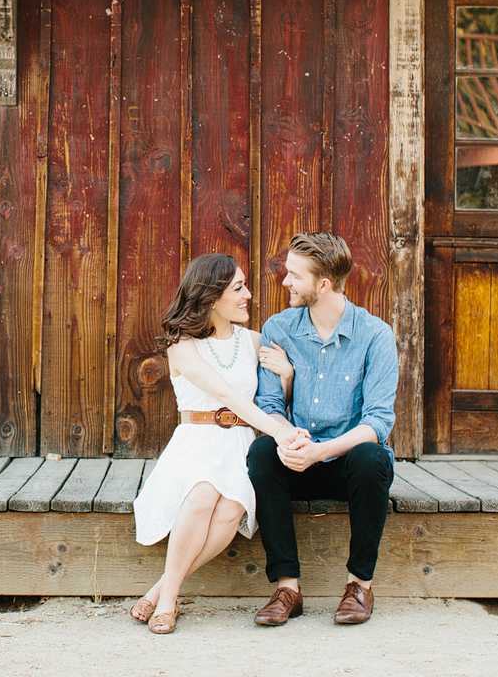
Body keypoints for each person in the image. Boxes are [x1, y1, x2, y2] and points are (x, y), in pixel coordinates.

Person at [128, 253, 308, 634]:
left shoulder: (256, 341)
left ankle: (160, 589)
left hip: (240, 442)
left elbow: (273, 401)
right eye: (238, 288)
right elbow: (226, 393)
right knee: (203, 494)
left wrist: (287, 375)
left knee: (231, 509)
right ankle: (170, 600)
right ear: (211, 298)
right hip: (196, 441)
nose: (249, 295)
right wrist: (278, 433)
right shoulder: (182, 345)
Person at [246, 231, 399, 627]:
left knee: (372, 456)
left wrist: (322, 451)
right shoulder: (278, 328)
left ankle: (359, 584)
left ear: (323, 284)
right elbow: (269, 406)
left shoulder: (375, 336)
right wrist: (288, 437)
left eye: (294, 275)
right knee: (261, 453)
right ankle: (287, 587)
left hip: (347, 467)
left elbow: (378, 421)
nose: (285, 282)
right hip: (298, 460)